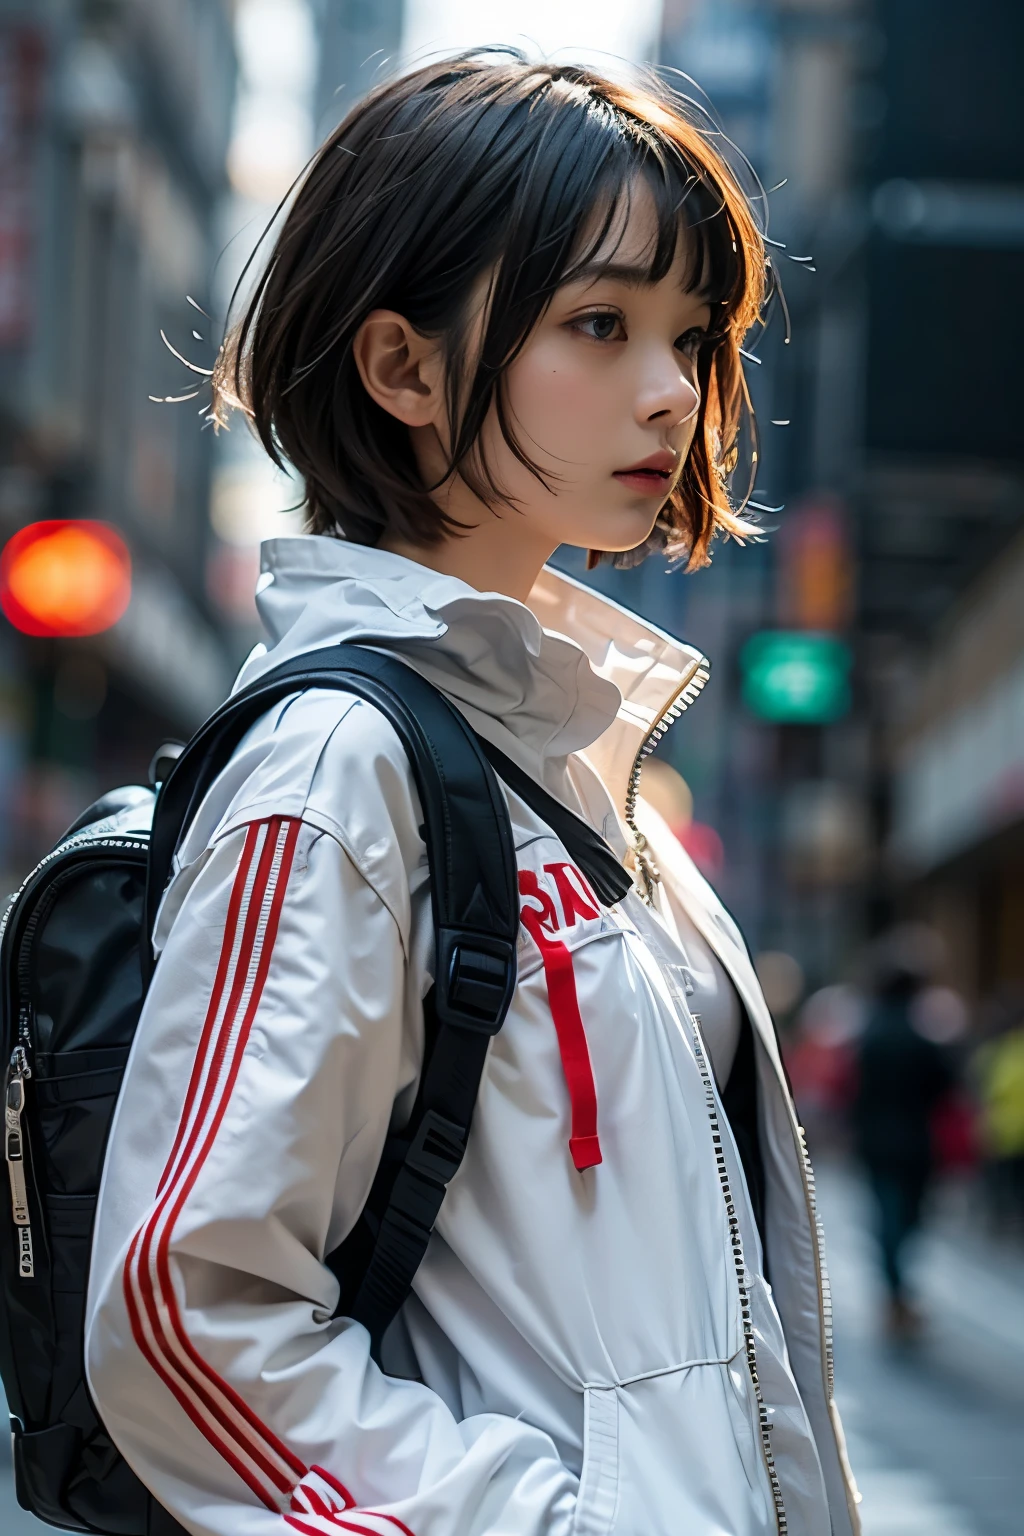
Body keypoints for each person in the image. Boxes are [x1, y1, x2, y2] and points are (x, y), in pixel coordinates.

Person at [85, 53, 859, 1536]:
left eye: (692, 335)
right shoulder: (341, 768)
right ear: (404, 367)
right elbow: (187, 1319)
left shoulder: (566, 745)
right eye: (599, 324)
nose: (672, 391)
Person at [852, 926, 954, 1337]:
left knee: (887, 1215)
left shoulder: (868, 1038)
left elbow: (855, 1090)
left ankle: (893, 1293)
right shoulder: (922, 1038)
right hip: (914, 1140)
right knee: (907, 1215)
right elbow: (945, 1086)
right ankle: (897, 1294)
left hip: (876, 1140)